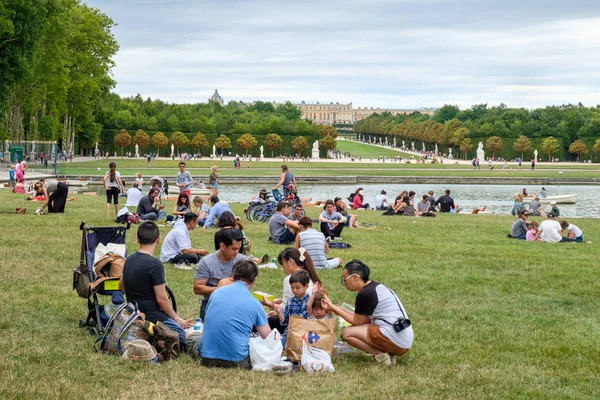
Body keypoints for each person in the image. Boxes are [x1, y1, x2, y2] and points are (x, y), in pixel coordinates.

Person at [321, 260, 414, 365]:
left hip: (394, 338)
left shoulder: (365, 294)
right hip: (404, 340)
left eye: (345, 279)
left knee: (347, 333)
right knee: (358, 328)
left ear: (355, 277)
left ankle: (380, 355)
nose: (344, 283)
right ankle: (389, 354)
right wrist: (334, 307)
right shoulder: (375, 288)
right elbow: (364, 320)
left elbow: (357, 321)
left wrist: (334, 308)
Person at [119, 221, 191, 350]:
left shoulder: (129, 259)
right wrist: (176, 318)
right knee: (185, 339)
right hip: (153, 316)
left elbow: (121, 287)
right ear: (158, 239)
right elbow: (161, 298)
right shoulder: (155, 264)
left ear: (137, 238)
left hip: (134, 314)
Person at [191, 259, 270, 368]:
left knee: (192, 335)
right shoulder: (255, 303)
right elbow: (267, 336)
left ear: (232, 276)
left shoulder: (216, 293)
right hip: (238, 360)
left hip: (206, 358)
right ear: (254, 280)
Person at [260, 248, 320, 334]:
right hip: (310, 322)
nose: (283, 269)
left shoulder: (290, 279)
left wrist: (270, 304)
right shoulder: (306, 276)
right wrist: (277, 301)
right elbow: (295, 298)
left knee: (264, 320)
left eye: (283, 265)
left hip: (297, 325)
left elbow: (285, 310)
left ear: (290, 261)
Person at [193, 228, 246, 321]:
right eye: (233, 249)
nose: (236, 252)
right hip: (213, 303)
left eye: (238, 248)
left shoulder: (242, 260)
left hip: (237, 302)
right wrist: (220, 289)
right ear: (222, 246)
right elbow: (197, 288)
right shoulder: (206, 262)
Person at [272, 269, 310, 345]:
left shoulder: (309, 302)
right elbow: (285, 322)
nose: (294, 290)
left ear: (306, 286)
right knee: (277, 345)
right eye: (292, 288)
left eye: (297, 288)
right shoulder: (290, 301)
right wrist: (278, 312)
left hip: (304, 334)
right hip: (289, 333)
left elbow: (300, 319)